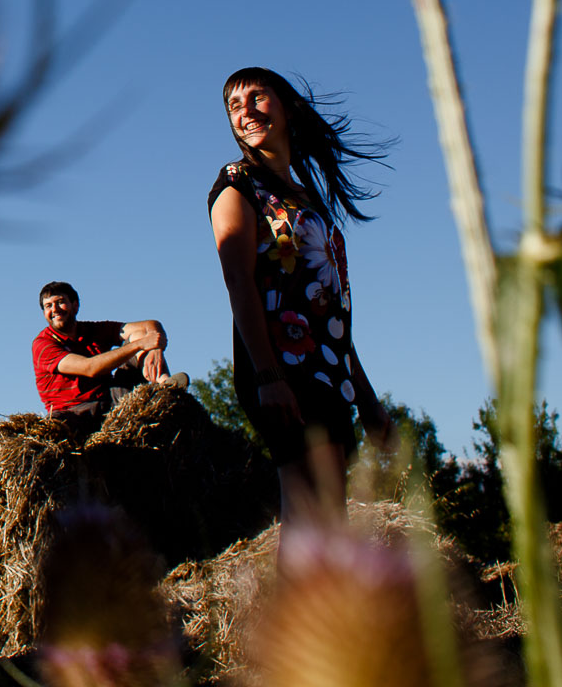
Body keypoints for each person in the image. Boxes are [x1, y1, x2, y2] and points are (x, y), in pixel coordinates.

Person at [208, 67, 392, 530]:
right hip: (281, 367)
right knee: (314, 507)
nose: (245, 111)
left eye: (257, 97)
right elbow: (239, 282)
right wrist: (269, 375)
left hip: (327, 369)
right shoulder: (237, 186)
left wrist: (366, 398)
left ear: (286, 107)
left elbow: (331, 314)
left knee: (327, 512)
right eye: (234, 104)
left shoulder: (307, 199)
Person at [31, 281, 187, 421]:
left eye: (60, 302)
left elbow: (151, 325)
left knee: (139, 335)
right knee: (58, 425)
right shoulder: (43, 344)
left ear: (75, 305)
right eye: (48, 306)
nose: (55, 309)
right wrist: (141, 344)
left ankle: (166, 386)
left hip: (111, 399)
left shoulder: (92, 329)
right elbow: (90, 368)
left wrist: (155, 349)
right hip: (75, 411)